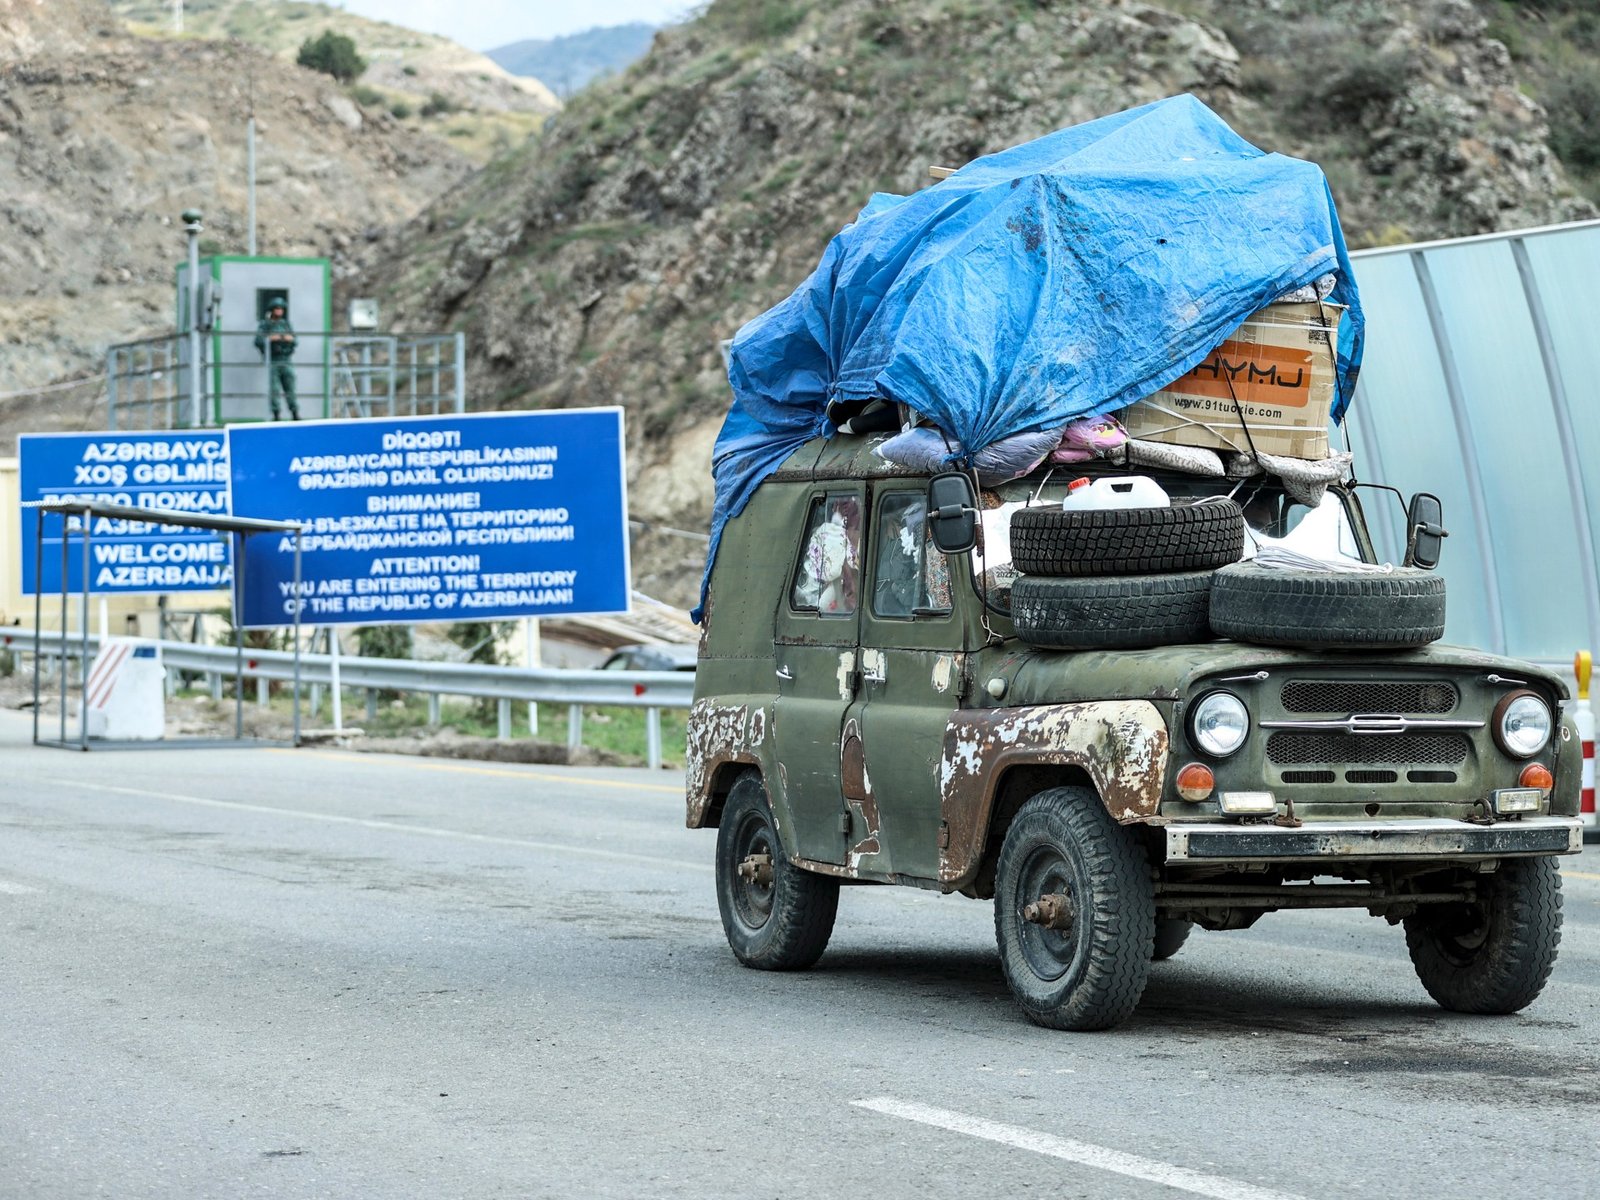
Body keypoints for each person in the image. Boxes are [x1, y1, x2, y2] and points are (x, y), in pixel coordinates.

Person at [254, 300, 300, 420]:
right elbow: (258, 341)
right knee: (274, 388)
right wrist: (270, 338)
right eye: (276, 308)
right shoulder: (265, 324)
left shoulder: (286, 324)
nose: (279, 310)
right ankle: (276, 414)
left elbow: (295, 340)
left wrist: (288, 339)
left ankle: (294, 412)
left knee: (290, 386)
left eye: (281, 308)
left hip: (286, 359)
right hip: (273, 359)